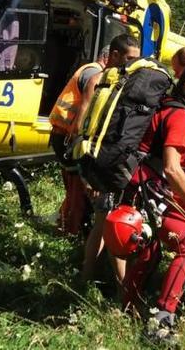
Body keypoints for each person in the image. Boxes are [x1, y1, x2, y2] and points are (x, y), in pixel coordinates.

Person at [121, 63, 185, 333]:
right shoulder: (180, 116)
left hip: (132, 185)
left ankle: (127, 307)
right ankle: (163, 321)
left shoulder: (166, 104)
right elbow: (172, 168)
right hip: (147, 190)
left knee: (150, 252)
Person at [78, 34, 141, 285]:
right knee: (111, 223)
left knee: (103, 222)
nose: (134, 64)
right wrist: (87, 172)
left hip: (114, 163)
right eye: (129, 58)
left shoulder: (125, 83)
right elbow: (83, 125)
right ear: (114, 55)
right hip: (103, 164)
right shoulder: (100, 81)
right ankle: (122, 286)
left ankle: (88, 276)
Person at [49, 48, 108, 236]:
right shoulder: (93, 74)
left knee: (74, 188)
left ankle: (66, 223)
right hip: (68, 137)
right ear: (108, 57)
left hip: (63, 135)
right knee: (76, 190)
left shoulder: (88, 69)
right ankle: (69, 230)